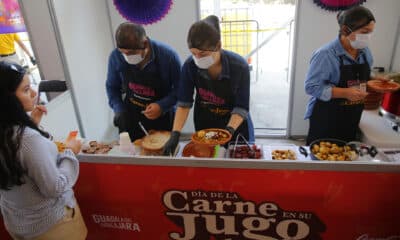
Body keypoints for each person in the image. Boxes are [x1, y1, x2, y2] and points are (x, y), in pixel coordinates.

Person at [0, 61, 87, 239]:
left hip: (18, 222)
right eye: (25, 90)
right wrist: (70, 152)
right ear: (7, 99)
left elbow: (15, 157)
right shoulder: (27, 140)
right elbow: (54, 187)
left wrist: (31, 124)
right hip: (52, 226)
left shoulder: (8, 133)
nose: (34, 93)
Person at [163, 15, 255, 155]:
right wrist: (175, 134)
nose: (198, 59)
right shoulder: (190, 66)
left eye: (203, 53)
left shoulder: (239, 66)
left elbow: (241, 107)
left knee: (236, 165)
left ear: (218, 46)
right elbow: (184, 103)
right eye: (194, 53)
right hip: (206, 122)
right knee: (209, 164)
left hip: (235, 125)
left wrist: (228, 132)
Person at [304, 6, 383, 145]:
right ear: (346, 30)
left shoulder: (365, 52)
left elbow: (362, 76)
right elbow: (311, 87)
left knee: (345, 156)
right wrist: (345, 93)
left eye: (371, 32)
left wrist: (374, 81)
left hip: (352, 114)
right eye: (365, 32)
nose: (368, 37)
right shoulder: (326, 54)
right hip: (327, 117)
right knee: (322, 158)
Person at [106, 22, 181, 141]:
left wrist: (162, 106)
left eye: (131, 53)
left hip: (163, 118)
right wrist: (119, 110)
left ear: (145, 43)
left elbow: (180, 90)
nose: (126, 57)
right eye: (123, 52)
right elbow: (112, 87)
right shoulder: (115, 57)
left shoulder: (168, 57)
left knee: (162, 154)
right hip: (131, 115)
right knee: (133, 154)